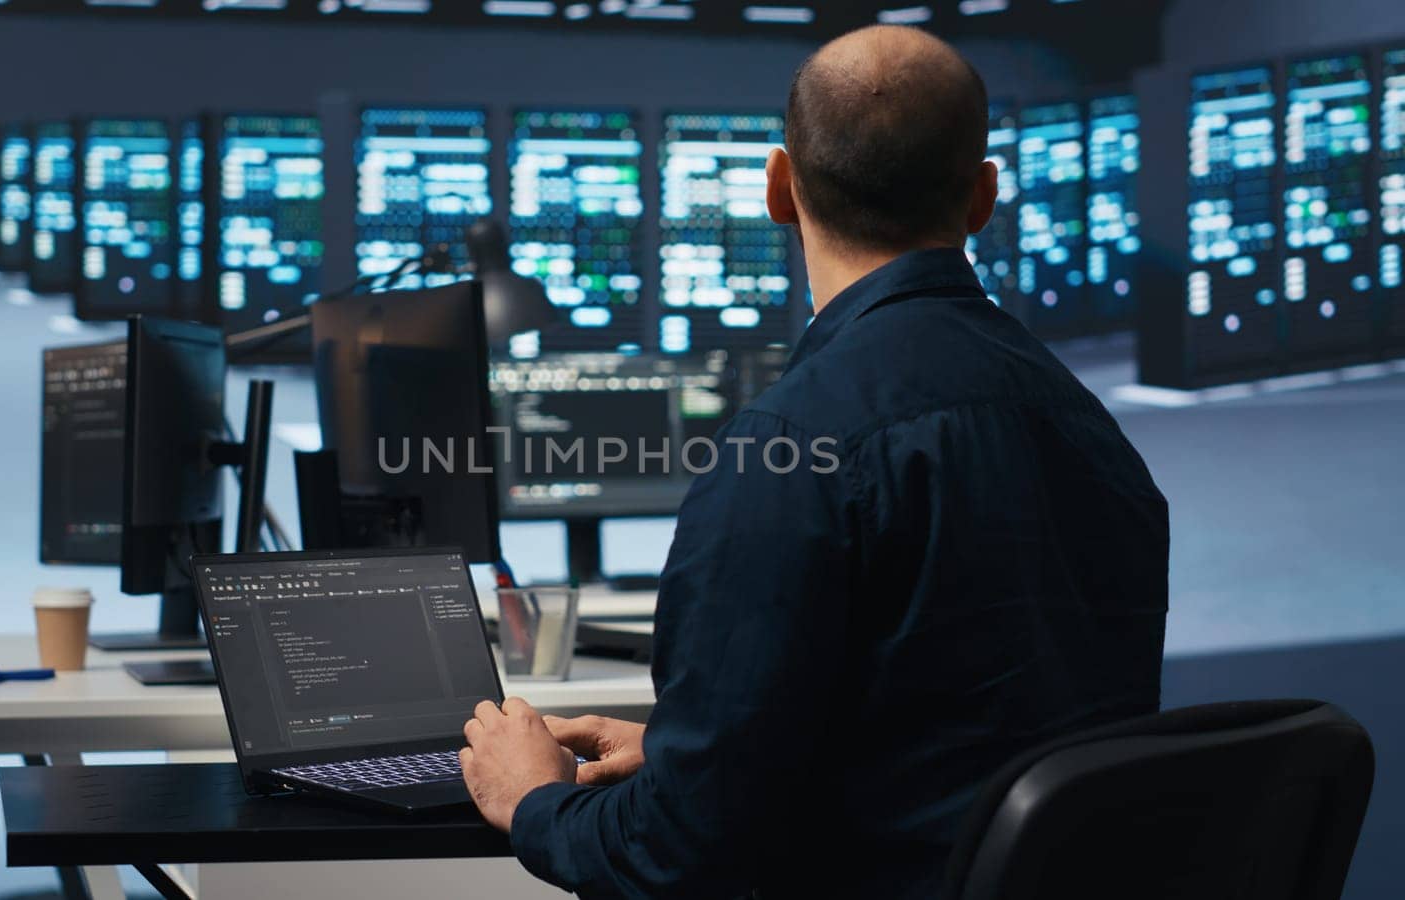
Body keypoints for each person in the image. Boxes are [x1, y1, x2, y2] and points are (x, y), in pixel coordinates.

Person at [459, 24, 1169, 899]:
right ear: (983, 197)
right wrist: (695, 757)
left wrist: (533, 800)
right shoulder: (1092, 431)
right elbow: (972, 745)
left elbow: (677, 858)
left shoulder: (788, 453)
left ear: (779, 188)